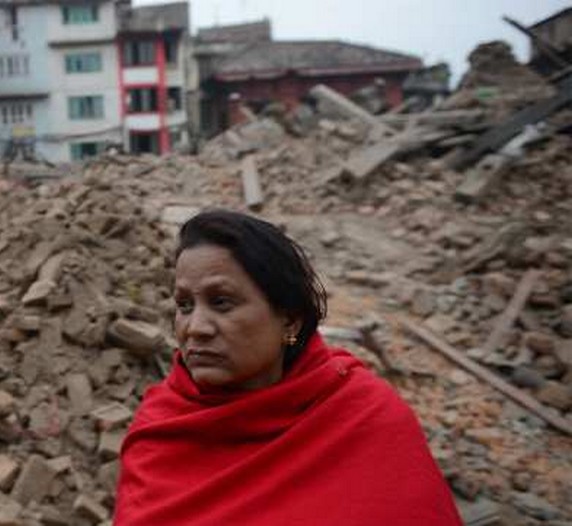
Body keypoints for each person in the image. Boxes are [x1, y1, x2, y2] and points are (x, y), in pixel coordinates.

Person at [115, 210, 461, 525]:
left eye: (221, 302)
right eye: (184, 305)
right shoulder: (162, 429)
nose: (195, 327)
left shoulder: (363, 416)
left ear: (290, 321)